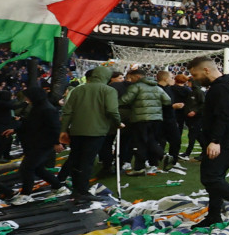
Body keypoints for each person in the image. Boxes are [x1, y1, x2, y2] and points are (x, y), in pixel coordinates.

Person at [187, 56, 229, 226]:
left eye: (195, 75)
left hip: (223, 141)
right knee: (216, 178)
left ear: (206, 70)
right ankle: (214, 215)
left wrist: (215, 140)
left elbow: (222, 115)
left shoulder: (221, 88)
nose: (195, 79)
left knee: (211, 178)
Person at [59, 66, 120, 202]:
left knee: (75, 159)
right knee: (87, 162)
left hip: (76, 130)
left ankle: (76, 190)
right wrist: (118, 122)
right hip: (96, 131)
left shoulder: (77, 90)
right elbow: (112, 110)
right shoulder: (109, 90)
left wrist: (63, 130)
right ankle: (83, 191)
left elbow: (67, 112)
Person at [15, 88, 66, 202]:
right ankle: (58, 186)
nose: (26, 99)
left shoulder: (47, 109)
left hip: (43, 144)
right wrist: (16, 129)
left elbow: (55, 127)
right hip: (37, 142)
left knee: (27, 168)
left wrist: (57, 143)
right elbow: (32, 123)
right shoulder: (38, 107)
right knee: (38, 168)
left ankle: (25, 194)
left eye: (27, 96)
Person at [119, 69, 170, 175]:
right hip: (156, 119)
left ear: (137, 77)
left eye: (131, 78)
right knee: (151, 140)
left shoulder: (136, 86)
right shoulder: (157, 87)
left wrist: (113, 103)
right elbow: (167, 100)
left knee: (139, 143)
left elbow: (125, 100)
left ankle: (143, 166)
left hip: (140, 118)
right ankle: (155, 160)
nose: (130, 80)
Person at [156, 71, 186, 171]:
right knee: (159, 141)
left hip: (170, 119)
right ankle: (154, 162)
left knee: (176, 140)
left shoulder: (170, 89)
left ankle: (172, 161)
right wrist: (172, 106)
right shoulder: (156, 89)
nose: (173, 80)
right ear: (165, 79)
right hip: (160, 119)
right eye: (172, 77)